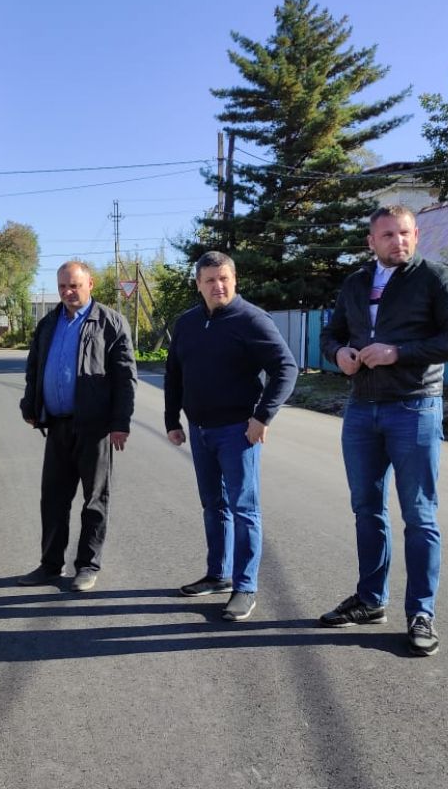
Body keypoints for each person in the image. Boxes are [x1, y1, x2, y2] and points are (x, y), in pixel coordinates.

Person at [318, 204, 448, 656]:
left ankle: (421, 612)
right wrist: (340, 355)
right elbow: (329, 335)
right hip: (361, 410)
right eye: (387, 235)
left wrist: (399, 352)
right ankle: (370, 600)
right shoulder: (354, 284)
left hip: (414, 408)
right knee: (367, 510)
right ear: (371, 241)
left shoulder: (438, 279)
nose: (398, 241)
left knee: (419, 517)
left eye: (404, 233)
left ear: (416, 234)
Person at [165, 251, 297, 621]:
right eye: (209, 280)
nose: (217, 286)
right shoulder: (187, 323)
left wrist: (262, 416)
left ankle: (245, 587)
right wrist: (171, 419)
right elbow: (174, 373)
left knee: (244, 509)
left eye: (223, 278)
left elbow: (286, 368)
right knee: (213, 505)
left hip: (238, 432)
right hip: (200, 430)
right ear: (198, 284)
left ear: (234, 280)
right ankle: (217, 574)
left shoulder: (252, 319)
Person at [18, 261, 136, 591]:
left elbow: (126, 378)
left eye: (74, 286)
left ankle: (87, 566)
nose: (68, 292)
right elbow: (34, 368)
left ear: (90, 284)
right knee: (52, 499)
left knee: (94, 500)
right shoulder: (49, 323)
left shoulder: (110, 322)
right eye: (62, 287)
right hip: (57, 426)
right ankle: (50, 565)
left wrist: (120, 423)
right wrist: (31, 404)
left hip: (95, 428)